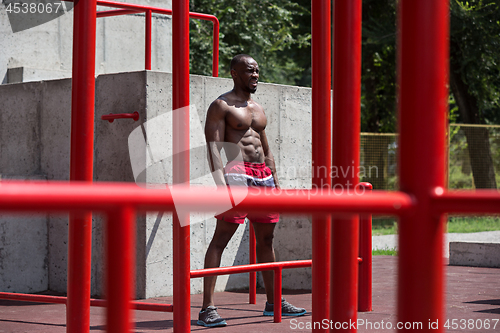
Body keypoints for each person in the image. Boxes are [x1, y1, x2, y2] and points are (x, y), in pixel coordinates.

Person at [198, 54, 306, 328]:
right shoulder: (221, 106)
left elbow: (265, 149)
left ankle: (274, 302)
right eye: (249, 70)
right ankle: (207, 309)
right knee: (221, 238)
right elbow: (213, 146)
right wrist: (220, 184)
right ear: (235, 73)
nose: (255, 74)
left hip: (263, 178)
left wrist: (276, 182)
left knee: (267, 240)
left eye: (257, 70)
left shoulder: (257, 108)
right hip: (236, 173)